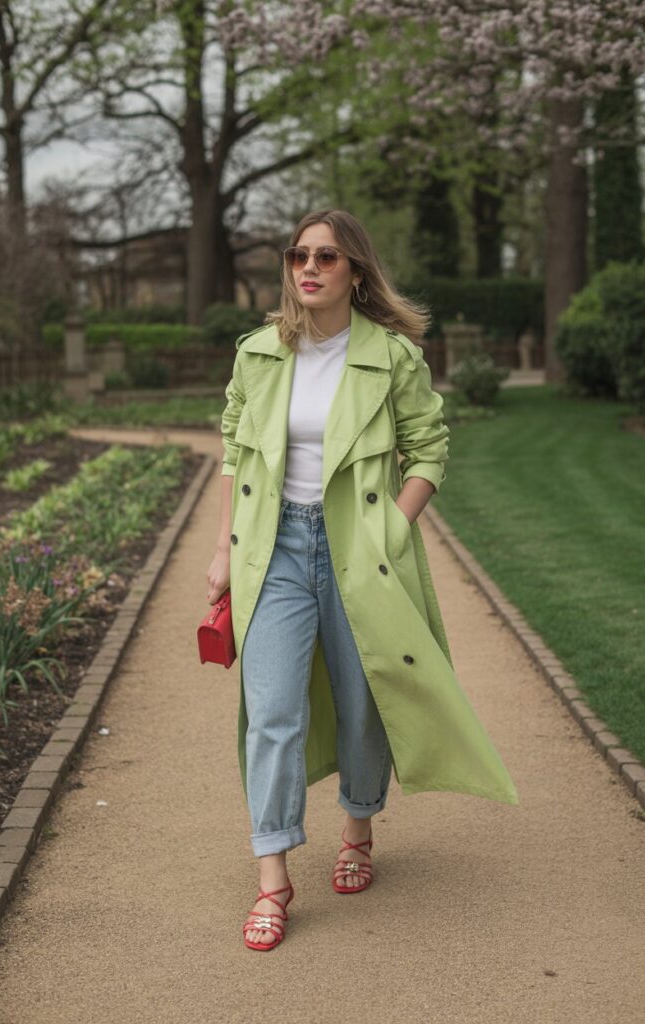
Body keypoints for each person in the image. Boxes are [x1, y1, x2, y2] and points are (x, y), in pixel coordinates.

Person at [206, 208, 519, 952]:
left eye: (325, 257)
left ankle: (356, 828)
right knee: (272, 708)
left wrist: (393, 528)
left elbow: (428, 451)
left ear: (355, 271)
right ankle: (273, 878)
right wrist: (223, 550)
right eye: (296, 255)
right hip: (275, 548)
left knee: (360, 702)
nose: (307, 268)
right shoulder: (257, 353)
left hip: (359, 548)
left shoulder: (392, 356)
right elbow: (233, 452)